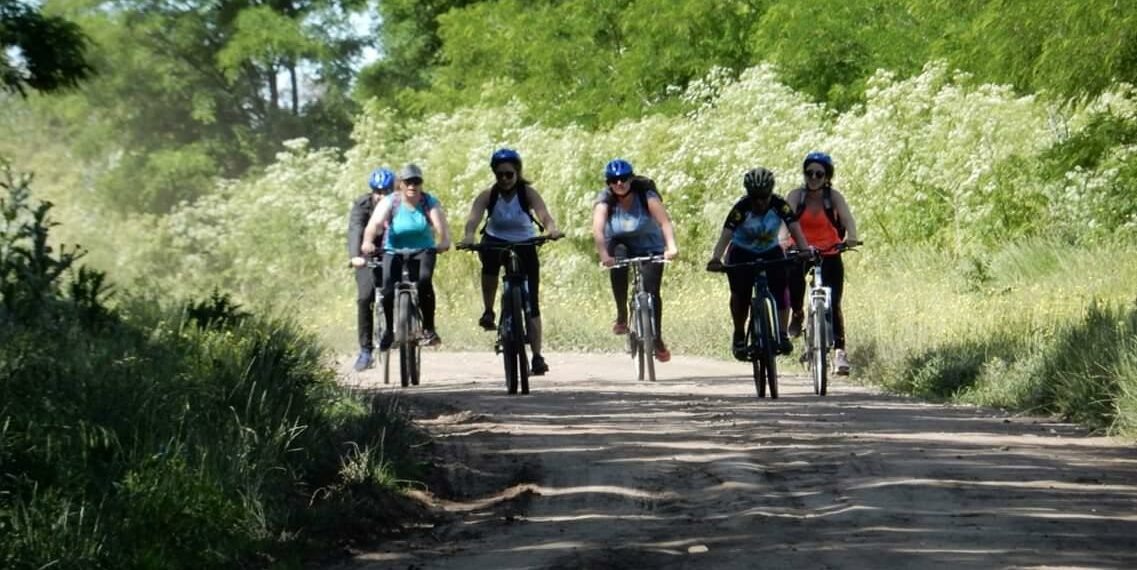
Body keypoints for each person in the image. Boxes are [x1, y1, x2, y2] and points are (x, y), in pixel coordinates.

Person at [460, 148, 564, 375]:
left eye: (509, 174)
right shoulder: (488, 195)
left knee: (532, 302)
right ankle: (489, 311)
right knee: (489, 266)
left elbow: (544, 214)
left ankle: (537, 356)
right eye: (500, 175)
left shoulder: (527, 193)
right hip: (495, 241)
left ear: (517, 172)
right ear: (494, 175)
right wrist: (469, 235)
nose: (505, 179)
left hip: (525, 242)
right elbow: (474, 218)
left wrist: (551, 229)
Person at [706, 167, 811, 362]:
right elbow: (726, 235)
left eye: (764, 197)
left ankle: (782, 334)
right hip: (741, 252)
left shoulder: (780, 205)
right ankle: (739, 334)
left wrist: (804, 249)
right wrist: (716, 258)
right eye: (755, 198)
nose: (760, 202)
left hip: (770, 250)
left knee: (781, 288)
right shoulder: (741, 208)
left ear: (770, 193)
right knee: (740, 295)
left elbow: (794, 226)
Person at [591, 158, 679, 362]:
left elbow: (664, 222)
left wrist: (671, 247)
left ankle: (656, 338)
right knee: (618, 262)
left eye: (623, 179)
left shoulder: (646, 195)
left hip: (650, 245)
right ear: (608, 183)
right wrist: (604, 255)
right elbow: (598, 229)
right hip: (620, 244)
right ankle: (622, 314)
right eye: (613, 180)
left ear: (631, 179)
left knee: (652, 292)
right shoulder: (605, 199)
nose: (619, 183)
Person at [784, 151, 860, 375]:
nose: (814, 178)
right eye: (809, 173)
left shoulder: (833, 197)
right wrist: (781, 241)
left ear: (827, 176)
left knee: (833, 301)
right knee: (793, 281)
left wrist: (852, 237)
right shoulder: (796, 196)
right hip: (800, 250)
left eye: (819, 174)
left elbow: (847, 218)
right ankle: (797, 314)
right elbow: (784, 221)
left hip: (829, 250)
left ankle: (839, 352)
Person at [361, 163, 452, 348]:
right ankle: (388, 331)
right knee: (387, 288)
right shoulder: (391, 201)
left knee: (424, 281)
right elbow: (375, 223)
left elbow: (440, 224)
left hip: (423, 250)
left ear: (421, 184)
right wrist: (368, 241)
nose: (412, 186)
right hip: (393, 250)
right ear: (400, 184)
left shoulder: (428, 201)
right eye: (408, 182)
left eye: (416, 182)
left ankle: (428, 328)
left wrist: (444, 241)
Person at [348, 167, 396, 371]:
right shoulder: (362, 205)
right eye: (378, 191)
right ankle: (365, 351)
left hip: (393, 251)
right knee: (364, 298)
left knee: (393, 289)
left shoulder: (400, 204)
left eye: (386, 191)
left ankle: (398, 328)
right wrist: (355, 256)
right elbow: (355, 229)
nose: (381, 196)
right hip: (366, 254)